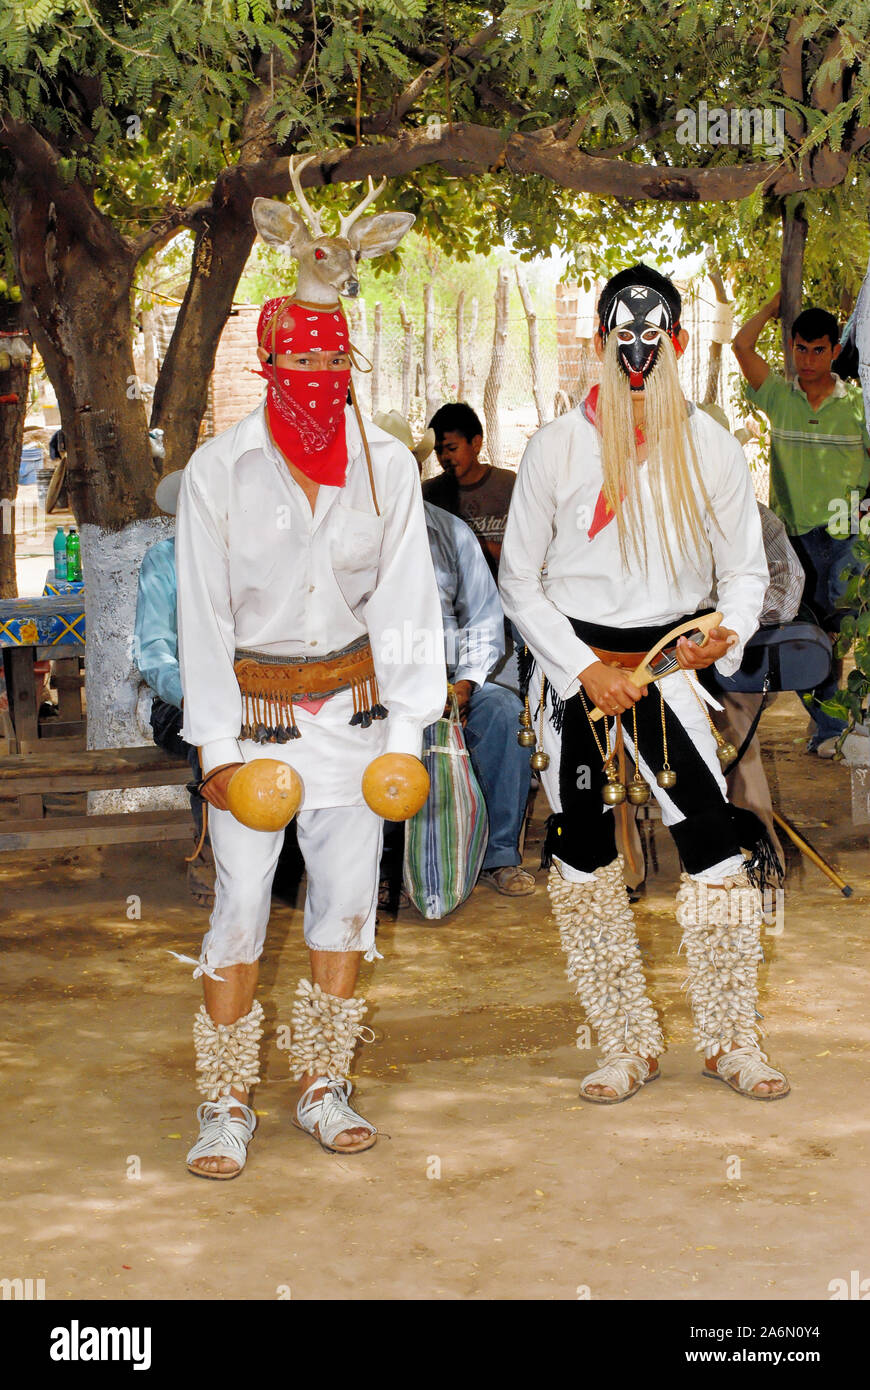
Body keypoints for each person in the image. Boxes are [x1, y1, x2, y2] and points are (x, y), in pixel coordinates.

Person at [500, 263, 790, 1105]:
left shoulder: (709, 444)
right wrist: (585, 669)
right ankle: (625, 1041)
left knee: (714, 847)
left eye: (652, 337)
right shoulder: (556, 447)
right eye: (621, 337)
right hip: (580, 672)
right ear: (598, 342)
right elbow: (520, 582)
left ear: (678, 342)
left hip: (669, 665)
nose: (636, 352)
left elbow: (743, 569)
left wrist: (721, 632)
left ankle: (731, 1038)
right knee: (584, 856)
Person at [174, 294, 445, 1178]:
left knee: (347, 903)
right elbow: (203, 620)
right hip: (253, 723)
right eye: (302, 367)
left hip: (358, 718)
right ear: (269, 367)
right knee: (244, 903)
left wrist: (407, 731)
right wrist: (215, 757)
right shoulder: (219, 471)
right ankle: (223, 1099)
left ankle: (323, 1084)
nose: (321, 385)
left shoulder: (388, 466)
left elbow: (408, 603)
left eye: (336, 368)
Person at [376, 411, 535, 898]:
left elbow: (485, 617)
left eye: (402, 464)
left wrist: (465, 681)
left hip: (447, 681)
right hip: (372, 687)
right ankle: (384, 866)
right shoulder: (347, 536)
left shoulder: (449, 532)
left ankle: (499, 855)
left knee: (506, 714)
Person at [732, 293, 870, 755]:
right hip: (792, 539)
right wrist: (775, 304)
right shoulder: (779, 396)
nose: (809, 359)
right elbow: (741, 345)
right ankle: (832, 728)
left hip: (848, 533)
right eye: (801, 348)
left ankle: (851, 722)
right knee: (802, 634)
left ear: (834, 351)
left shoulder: (858, 406)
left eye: (818, 349)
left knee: (850, 630)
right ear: (792, 348)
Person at [133, 470, 214, 906]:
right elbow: (154, 651)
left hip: (243, 695)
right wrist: (191, 694)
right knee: (209, 730)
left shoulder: (245, 559)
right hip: (175, 703)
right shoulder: (163, 561)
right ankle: (209, 858)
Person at [423, 403, 516, 580]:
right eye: (438, 451)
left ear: (476, 443)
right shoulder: (429, 493)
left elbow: (523, 554)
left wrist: (471, 543)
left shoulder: (508, 485)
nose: (445, 457)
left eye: (452, 448)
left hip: (503, 592)